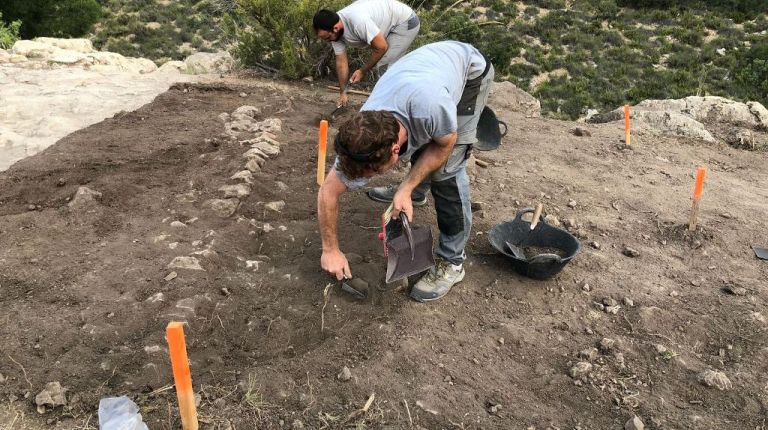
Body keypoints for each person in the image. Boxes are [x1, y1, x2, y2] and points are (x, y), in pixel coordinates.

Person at [317, 41, 494, 303]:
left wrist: (406, 186)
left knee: (447, 172)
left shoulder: (431, 110)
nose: (369, 177)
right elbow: (328, 191)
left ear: (396, 151)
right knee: (427, 148)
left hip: (469, 72)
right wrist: (329, 249)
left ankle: (453, 262)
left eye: (375, 172)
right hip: (422, 75)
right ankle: (415, 194)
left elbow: (445, 143)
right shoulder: (362, 132)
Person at [313, 0, 420, 107]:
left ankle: (389, 109)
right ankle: (390, 104)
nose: (328, 40)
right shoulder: (334, 34)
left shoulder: (357, 21)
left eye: (327, 38)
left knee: (385, 67)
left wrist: (362, 71)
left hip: (405, 22)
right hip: (388, 25)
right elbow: (341, 64)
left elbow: (381, 47)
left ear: (335, 28)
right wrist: (343, 92)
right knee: (388, 68)